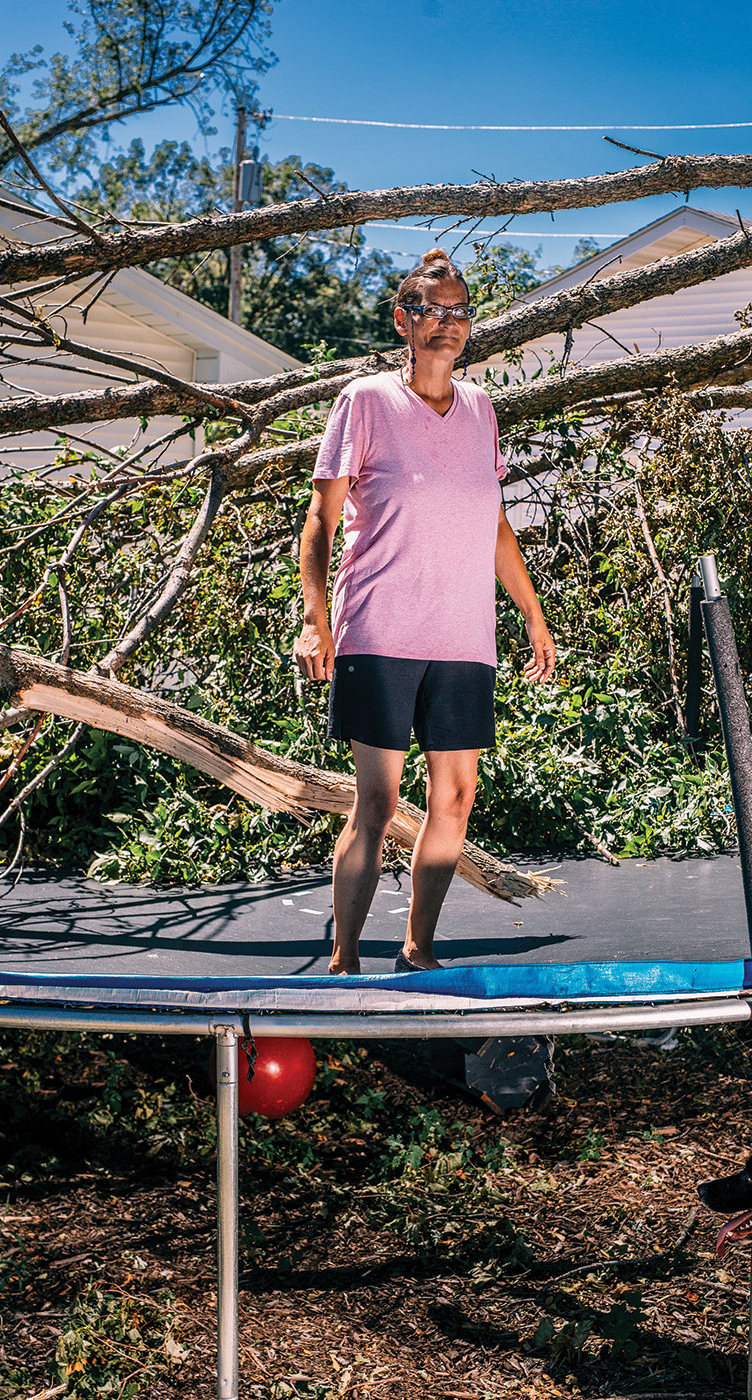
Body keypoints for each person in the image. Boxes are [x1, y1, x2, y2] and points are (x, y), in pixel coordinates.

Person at [294, 248, 555, 975]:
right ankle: (345, 961)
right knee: (377, 803)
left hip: (463, 636)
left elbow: (495, 523)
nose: (447, 324)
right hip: (379, 630)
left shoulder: (480, 409)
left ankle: (419, 950)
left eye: (459, 311)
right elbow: (321, 520)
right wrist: (316, 621)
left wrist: (531, 614)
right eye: (432, 311)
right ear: (404, 321)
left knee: (458, 798)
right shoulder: (367, 401)